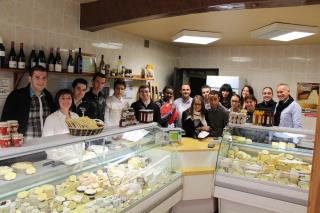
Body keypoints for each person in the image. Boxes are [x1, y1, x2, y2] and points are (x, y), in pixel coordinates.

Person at [1, 65, 55, 139]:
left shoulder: (48, 96)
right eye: (37, 77)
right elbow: (5, 122)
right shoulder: (16, 96)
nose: (41, 81)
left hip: (45, 144)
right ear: (30, 79)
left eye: (44, 78)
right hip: (24, 146)